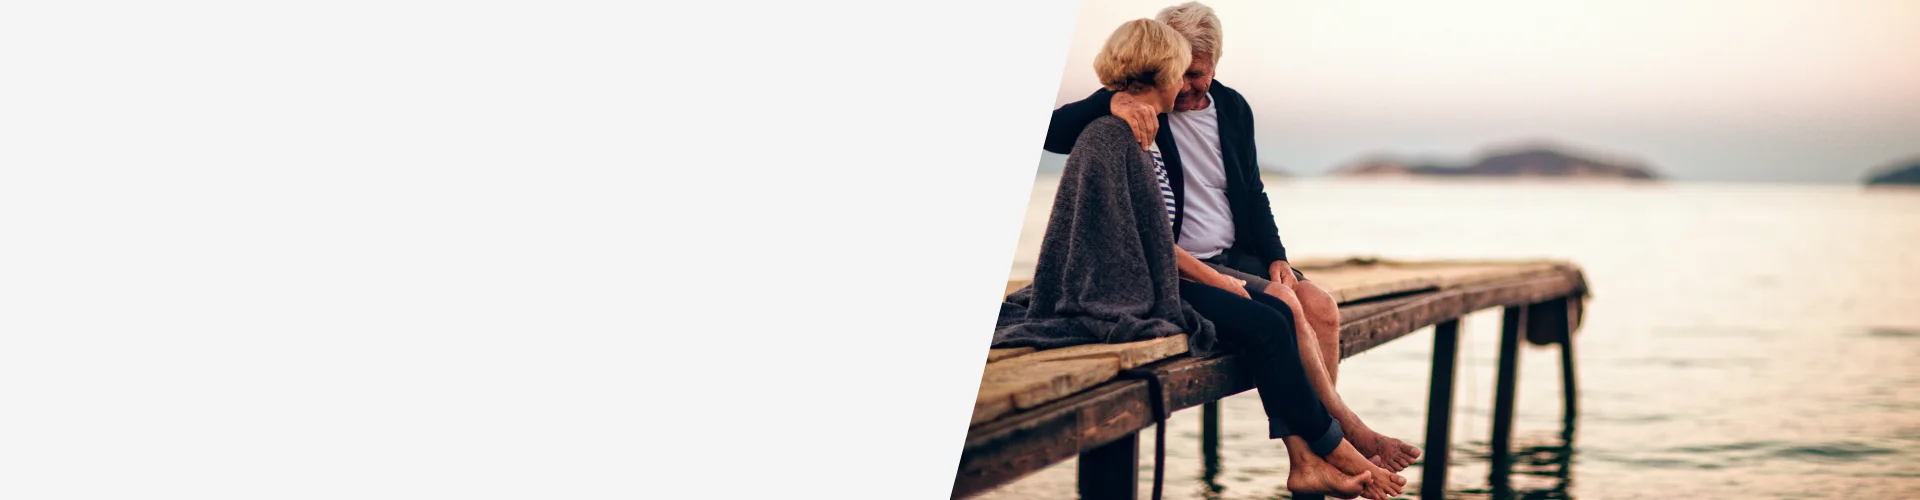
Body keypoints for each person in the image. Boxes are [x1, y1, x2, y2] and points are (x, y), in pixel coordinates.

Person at [994, 18, 1404, 499]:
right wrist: (1111, 99)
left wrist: (1274, 256)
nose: (1187, 85)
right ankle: (1335, 445)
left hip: (1205, 262)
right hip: (1164, 275)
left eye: (1198, 73)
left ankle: (1321, 453)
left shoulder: (1228, 108)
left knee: (1316, 305)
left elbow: (1249, 192)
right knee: (1278, 315)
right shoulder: (1127, 123)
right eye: (1180, 72)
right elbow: (1137, 226)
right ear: (1164, 68)